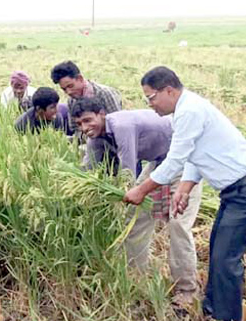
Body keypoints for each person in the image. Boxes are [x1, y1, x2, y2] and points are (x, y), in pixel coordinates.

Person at [122, 67, 246, 321]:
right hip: (236, 191)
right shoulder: (183, 110)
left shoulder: (189, 111)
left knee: (225, 258)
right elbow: (193, 156)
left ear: (169, 91)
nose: (150, 105)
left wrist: (140, 190)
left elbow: (175, 161)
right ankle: (213, 308)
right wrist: (184, 189)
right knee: (219, 249)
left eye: (151, 98)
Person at [72, 97, 202, 305]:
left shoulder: (122, 126)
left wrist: (122, 195)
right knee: (135, 218)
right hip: (160, 162)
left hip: (185, 161)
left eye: (88, 120)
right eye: (79, 124)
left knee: (178, 225)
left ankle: (187, 289)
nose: (85, 128)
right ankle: (134, 278)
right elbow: (89, 170)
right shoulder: (95, 137)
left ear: (102, 114)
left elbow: (128, 172)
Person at [50, 60, 122, 134]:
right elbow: (75, 129)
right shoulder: (71, 101)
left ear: (80, 78)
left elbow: (118, 123)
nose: (68, 92)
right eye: (64, 89)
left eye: (70, 86)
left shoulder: (105, 94)